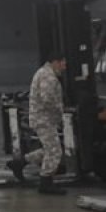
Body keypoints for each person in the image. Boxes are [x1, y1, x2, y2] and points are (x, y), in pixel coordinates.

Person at [7, 53, 68, 195]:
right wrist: (60, 110)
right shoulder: (49, 77)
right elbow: (47, 100)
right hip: (44, 119)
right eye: (63, 63)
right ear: (55, 62)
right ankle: (46, 182)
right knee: (55, 151)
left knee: (49, 149)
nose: (65, 67)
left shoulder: (42, 72)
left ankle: (20, 163)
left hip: (41, 118)